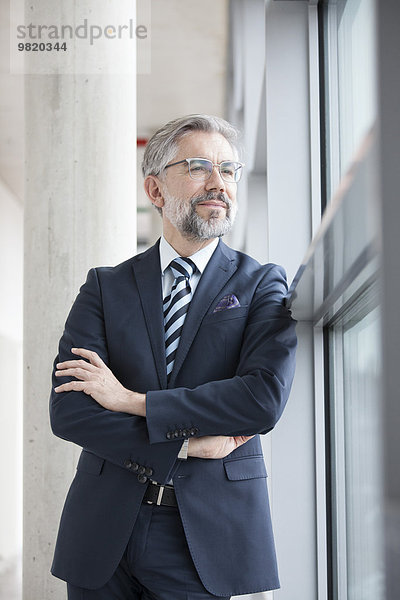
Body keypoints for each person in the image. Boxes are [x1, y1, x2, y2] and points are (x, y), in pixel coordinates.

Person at [50, 114, 297, 600]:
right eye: (200, 166)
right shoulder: (105, 286)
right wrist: (182, 445)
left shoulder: (263, 283)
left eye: (229, 170)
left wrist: (131, 401)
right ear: (156, 190)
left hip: (205, 535)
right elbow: (71, 411)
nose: (218, 183)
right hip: (103, 532)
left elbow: (262, 400)